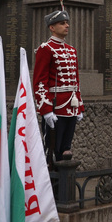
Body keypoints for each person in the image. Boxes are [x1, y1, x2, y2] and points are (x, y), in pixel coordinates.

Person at [33, 9, 84, 165]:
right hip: (55, 106)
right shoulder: (46, 49)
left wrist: (80, 106)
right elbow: (40, 82)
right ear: (52, 27)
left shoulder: (71, 50)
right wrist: (46, 110)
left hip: (71, 106)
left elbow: (76, 81)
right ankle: (52, 186)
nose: (67, 26)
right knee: (52, 150)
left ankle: (64, 186)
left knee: (66, 149)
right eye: (62, 23)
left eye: (67, 22)